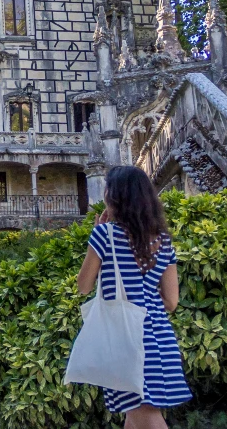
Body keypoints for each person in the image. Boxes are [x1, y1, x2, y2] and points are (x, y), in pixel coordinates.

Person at [76, 166, 192, 428]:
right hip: (160, 340)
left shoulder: (104, 235)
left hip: (126, 340)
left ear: (114, 197)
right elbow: (172, 302)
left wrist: (98, 238)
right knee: (135, 415)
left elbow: (83, 286)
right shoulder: (163, 241)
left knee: (146, 416)